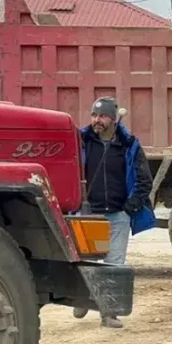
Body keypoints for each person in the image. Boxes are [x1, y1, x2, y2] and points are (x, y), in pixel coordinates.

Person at [72, 96, 155, 328]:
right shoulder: (81, 141)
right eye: (94, 115)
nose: (97, 120)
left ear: (113, 119)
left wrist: (132, 205)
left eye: (102, 116)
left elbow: (143, 179)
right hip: (88, 213)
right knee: (83, 262)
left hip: (118, 214)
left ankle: (108, 313)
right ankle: (84, 299)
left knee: (114, 264)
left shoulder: (129, 145)